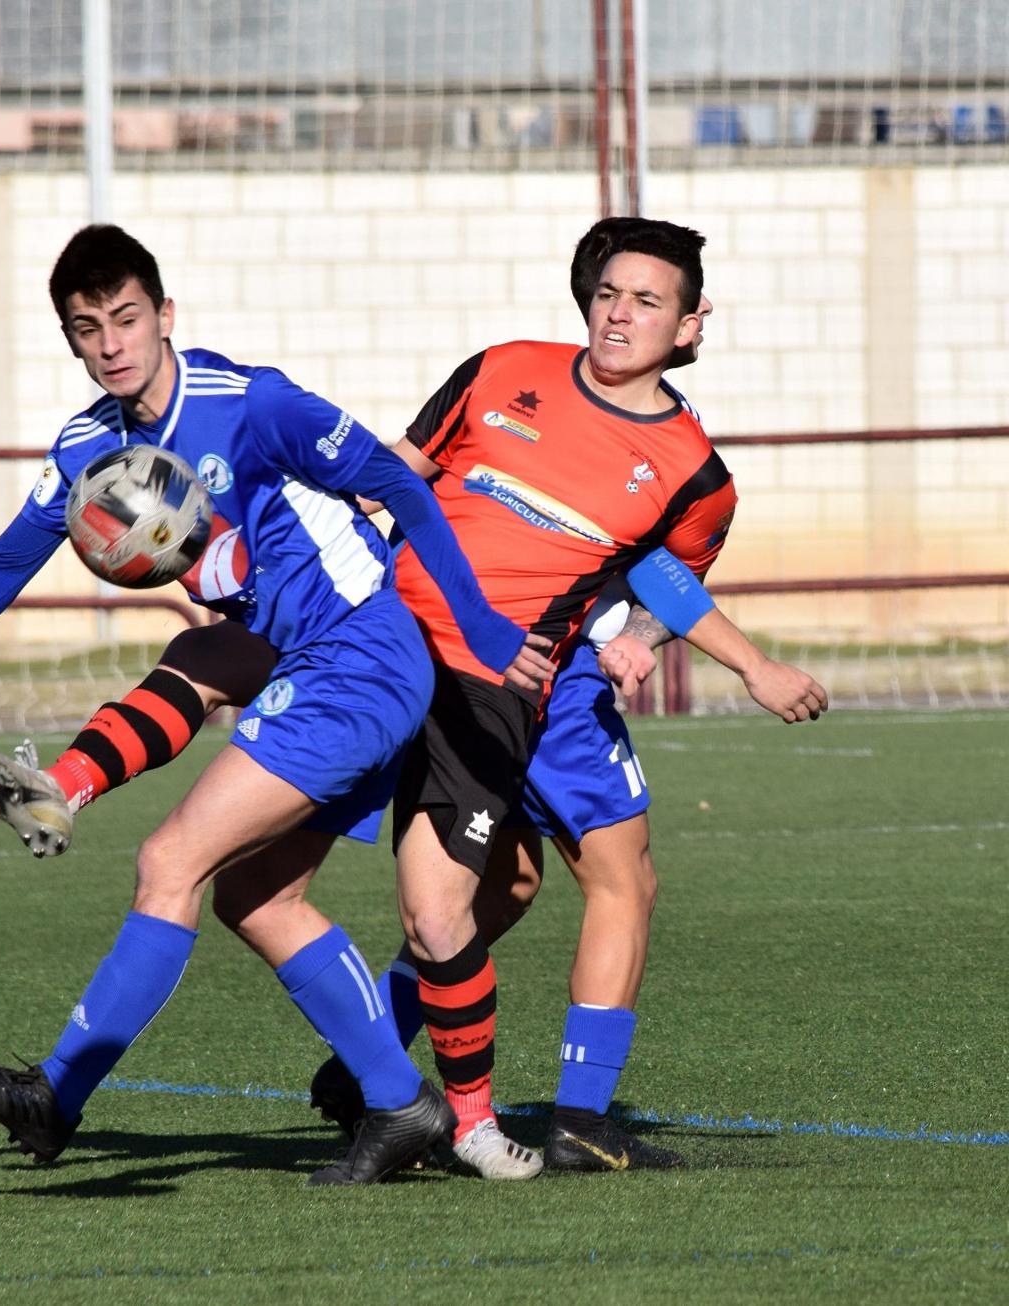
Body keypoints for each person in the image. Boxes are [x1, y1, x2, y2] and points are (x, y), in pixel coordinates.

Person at [0, 223, 560, 1184]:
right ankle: (400, 1104)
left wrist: (475, 624)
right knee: (255, 895)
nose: (111, 345)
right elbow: (5, 563)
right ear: (71, 340)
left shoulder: (253, 404)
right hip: (288, 656)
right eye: (87, 328)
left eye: (128, 319)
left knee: (170, 860)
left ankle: (55, 1096)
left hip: (362, 657)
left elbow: (397, 480)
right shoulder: (89, 446)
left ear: (165, 316)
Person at [305, 217, 826, 1177]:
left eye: (648, 301)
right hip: (445, 666)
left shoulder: (694, 473)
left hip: (549, 680)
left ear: (690, 323)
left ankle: (383, 1068)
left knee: (518, 884)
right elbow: (394, 479)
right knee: (592, 883)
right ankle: (558, 1113)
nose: (621, 315)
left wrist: (644, 641)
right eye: (610, 295)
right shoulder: (501, 369)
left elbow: (667, 584)